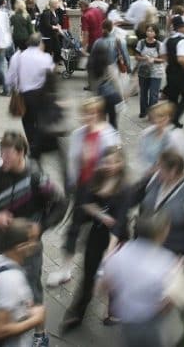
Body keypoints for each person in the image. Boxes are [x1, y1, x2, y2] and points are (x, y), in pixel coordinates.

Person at [0, 132, 67, 347]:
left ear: (21, 153)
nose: (4, 159)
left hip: (29, 245)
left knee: (31, 286)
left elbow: (61, 203)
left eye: (8, 154)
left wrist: (41, 227)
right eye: (2, 153)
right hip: (4, 241)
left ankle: (40, 333)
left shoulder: (37, 178)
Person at [49, 97, 121, 289]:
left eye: (91, 113)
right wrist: (72, 185)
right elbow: (73, 163)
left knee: (102, 231)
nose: (87, 117)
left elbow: (116, 163)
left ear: (97, 114)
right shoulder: (78, 134)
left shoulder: (109, 135)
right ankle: (65, 269)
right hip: (83, 189)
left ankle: (103, 267)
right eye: (84, 113)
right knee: (74, 228)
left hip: (102, 190)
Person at [61, 146, 132, 332]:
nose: (111, 166)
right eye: (107, 162)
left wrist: (110, 251)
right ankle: (77, 314)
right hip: (97, 234)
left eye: (115, 162)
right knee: (88, 275)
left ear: (122, 163)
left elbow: (121, 221)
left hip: (117, 240)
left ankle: (114, 311)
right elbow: (84, 204)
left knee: (114, 278)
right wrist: (101, 215)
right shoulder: (96, 178)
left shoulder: (125, 188)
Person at [99, 213, 184, 347]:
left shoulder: (121, 253)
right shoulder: (167, 262)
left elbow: (104, 286)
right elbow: (168, 303)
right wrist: (178, 275)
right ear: (160, 234)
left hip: (127, 319)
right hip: (152, 324)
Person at [136, 149, 184, 279]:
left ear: (173, 171)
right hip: (145, 253)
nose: (157, 170)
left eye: (161, 168)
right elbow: (134, 201)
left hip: (172, 262)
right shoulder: (152, 181)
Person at [0, 218, 46, 347]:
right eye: (32, 239)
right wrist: (35, 319)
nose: (36, 243)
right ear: (20, 247)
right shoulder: (10, 280)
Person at [6, 34, 55, 160]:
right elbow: (51, 75)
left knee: (27, 122)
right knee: (39, 121)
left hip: (24, 94)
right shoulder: (45, 57)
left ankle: (32, 145)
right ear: (39, 43)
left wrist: (15, 88)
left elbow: (10, 78)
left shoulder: (18, 57)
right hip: (40, 94)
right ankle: (37, 146)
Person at [138, 101, 184, 175]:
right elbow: (141, 155)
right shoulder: (147, 133)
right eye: (154, 116)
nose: (157, 120)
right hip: (148, 176)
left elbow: (183, 161)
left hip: (168, 177)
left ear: (168, 117)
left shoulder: (177, 136)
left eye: (161, 116)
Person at [162, 16, 184, 129]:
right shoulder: (183, 41)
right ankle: (175, 118)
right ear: (180, 28)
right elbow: (181, 58)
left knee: (173, 97)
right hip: (181, 73)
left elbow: (163, 56)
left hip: (170, 70)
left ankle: (171, 119)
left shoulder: (167, 40)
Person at [135, 24, 167, 118]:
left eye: (152, 31)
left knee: (154, 94)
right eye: (148, 30)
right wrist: (144, 58)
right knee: (143, 93)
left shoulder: (160, 45)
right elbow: (137, 56)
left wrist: (154, 60)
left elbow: (163, 59)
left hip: (156, 72)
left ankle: (152, 113)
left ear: (156, 33)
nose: (150, 33)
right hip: (143, 71)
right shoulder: (141, 43)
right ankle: (143, 111)